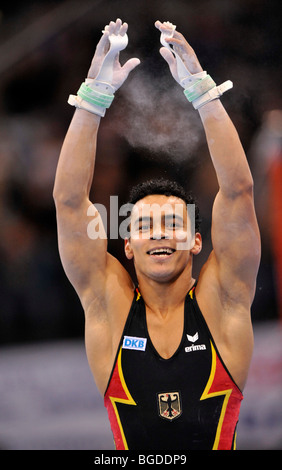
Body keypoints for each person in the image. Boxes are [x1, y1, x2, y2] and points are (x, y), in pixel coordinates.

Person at [53, 19, 261, 450]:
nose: (159, 234)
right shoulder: (107, 307)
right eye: (144, 226)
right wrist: (92, 98)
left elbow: (238, 191)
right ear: (127, 245)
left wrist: (204, 94)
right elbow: (70, 201)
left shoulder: (223, 303)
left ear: (197, 242)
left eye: (172, 224)